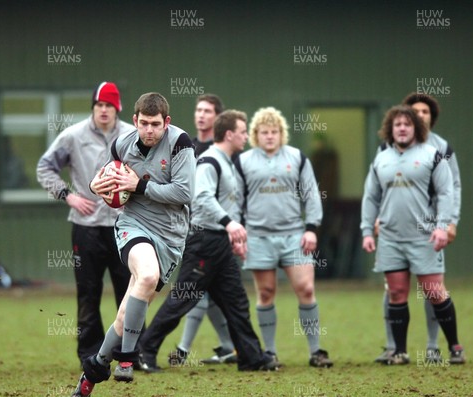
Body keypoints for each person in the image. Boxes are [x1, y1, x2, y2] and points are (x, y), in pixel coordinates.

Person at [71, 92, 196, 396]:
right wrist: (94, 186)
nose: (150, 130)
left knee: (126, 315)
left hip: (170, 235)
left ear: (166, 122)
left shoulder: (181, 144)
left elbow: (184, 193)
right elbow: (107, 182)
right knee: (148, 275)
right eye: (144, 124)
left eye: (156, 124)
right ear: (135, 121)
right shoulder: (122, 145)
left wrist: (138, 185)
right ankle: (127, 358)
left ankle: (93, 372)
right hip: (134, 225)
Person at [138, 110, 279, 373]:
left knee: (236, 301)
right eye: (243, 131)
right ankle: (144, 351)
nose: (246, 136)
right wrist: (229, 224)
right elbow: (201, 196)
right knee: (181, 299)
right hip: (203, 242)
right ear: (229, 134)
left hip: (220, 244)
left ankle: (251, 358)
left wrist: (233, 234)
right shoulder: (210, 162)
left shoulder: (227, 162)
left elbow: (227, 204)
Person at [37, 82, 134, 365]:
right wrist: (67, 196)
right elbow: (44, 167)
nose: (103, 111)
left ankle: (127, 353)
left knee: (129, 291)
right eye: (99, 105)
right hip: (86, 225)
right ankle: (89, 353)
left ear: (118, 108)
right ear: (93, 107)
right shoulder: (73, 136)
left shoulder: (131, 135)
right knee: (88, 292)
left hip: (124, 225)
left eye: (109, 106)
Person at [361, 105, 465, 365]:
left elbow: (446, 193)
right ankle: (399, 351)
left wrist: (443, 225)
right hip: (391, 238)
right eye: (398, 125)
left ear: (416, 128)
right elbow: (371, 196)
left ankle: (455, 346)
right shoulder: (381, 158)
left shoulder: (433, 154)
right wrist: (367, 231)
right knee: (396, 292)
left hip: (424, 237)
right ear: (390, 128)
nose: (403, 128)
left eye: (407, 124)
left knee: (434, 291)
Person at [234, 107, 333, 368]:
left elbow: (312, 194)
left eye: (274, 132)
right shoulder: (243, 161)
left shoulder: (297, 158)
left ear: (281, 133)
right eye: (264, 132)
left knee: (306, 288)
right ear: (256, 134)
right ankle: (270, 353)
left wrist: (311, 228)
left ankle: (316, 351)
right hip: (258, 237)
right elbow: (235, 200)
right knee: (266, 293)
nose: (269, 136)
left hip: (294, 236)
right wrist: (238, 232)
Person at [168, 94, 238, 366]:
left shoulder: (225, 152)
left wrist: (233, 225)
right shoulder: (187, 147)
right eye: (198, 110)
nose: (201, 115)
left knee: (199, 291)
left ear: (218, 118)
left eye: (207, 111)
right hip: (188, 228)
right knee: (209, 295)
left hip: (217, 231)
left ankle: (183, 351)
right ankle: (230, 346)